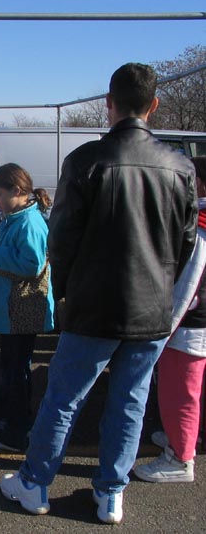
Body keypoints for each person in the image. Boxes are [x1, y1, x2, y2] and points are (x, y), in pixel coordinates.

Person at [0, 63, 197, 525]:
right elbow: (185, 244)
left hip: (95, 305)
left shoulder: (86, 161)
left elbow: (61, 240)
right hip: (153, 310)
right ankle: (111, 493)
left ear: (109, 104)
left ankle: (34, 483)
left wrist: (66, 294)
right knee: (131, 400)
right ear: (154, 106)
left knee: (64, 399)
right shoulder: (180, 167)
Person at [134, 156, 206, 484]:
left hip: (190, 328)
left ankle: (180, 458)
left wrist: (165, 324)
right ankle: (182, 440)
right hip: (193, 325)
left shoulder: (200, 224)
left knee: (180, 394)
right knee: (185, 393)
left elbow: (188, 284)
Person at [0, 163, 55, 452]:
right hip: (18, 309)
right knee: (12, 367)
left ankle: (15, 431)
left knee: (16, 371)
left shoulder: (28, 222)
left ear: (17, 191)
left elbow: (31, 264)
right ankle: (9, 421)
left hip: (22, 309)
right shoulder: (20, 218)